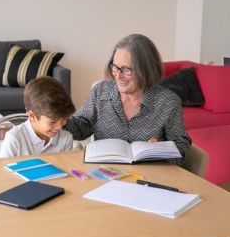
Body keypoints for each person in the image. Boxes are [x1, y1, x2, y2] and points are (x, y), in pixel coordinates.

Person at [64, 34, 192, 164]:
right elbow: (80, 128)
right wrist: (59, 119)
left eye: (126, 69)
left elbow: (182, 145)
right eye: (115, 67)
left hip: (149, 177)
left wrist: (162, 151)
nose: (118, 76)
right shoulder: (100, 92)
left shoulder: (168, 102)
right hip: (105, 174)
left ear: (146, 69)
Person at [0, 77, 76, 158]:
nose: (59, 127)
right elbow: (0, 170)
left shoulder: (66, 138)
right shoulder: (14, 139)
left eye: (64, 119)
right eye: (52, 122)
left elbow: (66, 168)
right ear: (32, 116)